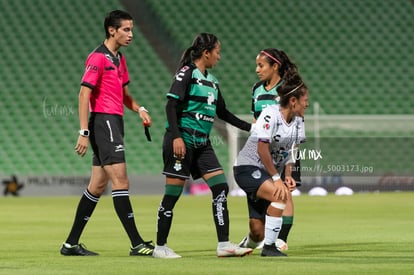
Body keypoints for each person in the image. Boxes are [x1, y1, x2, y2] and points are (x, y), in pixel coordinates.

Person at [60, 10, 154, 257]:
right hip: (103, 123)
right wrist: (83, 131)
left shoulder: (119, 59)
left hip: (115, 121)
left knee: (97, 185)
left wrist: (139, 109)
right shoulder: (97, 57)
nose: (131, 34)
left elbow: (123, 95)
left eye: (132, 29)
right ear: (112, 30)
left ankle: (70, 244)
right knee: (121, 181)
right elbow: (83, 94)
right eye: (126, 29)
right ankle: (136, 243)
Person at [153, 33, 254, 259]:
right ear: (206, 53)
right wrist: (177, 137)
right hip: (182, 139)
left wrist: (251, 128)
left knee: (220, 187)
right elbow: (170, 106)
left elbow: (223, 113)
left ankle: (224, 244)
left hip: (202, 143)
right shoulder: (187, 73)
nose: (219, 56)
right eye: (217, 52)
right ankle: (160, 247)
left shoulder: (213, 81)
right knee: (173, 193)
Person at [234, 77, 309, 256]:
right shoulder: (270, 114)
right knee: (280, 195)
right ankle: (269, 248)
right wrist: (277, 179)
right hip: (248, 167)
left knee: (257, 231)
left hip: (266, 173)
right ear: (293, 101)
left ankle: (252, 243)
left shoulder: (299, 121)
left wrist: (288, 175)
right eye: (305, 100)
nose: (306, 104)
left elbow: (292, 150)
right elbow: (262, 149)